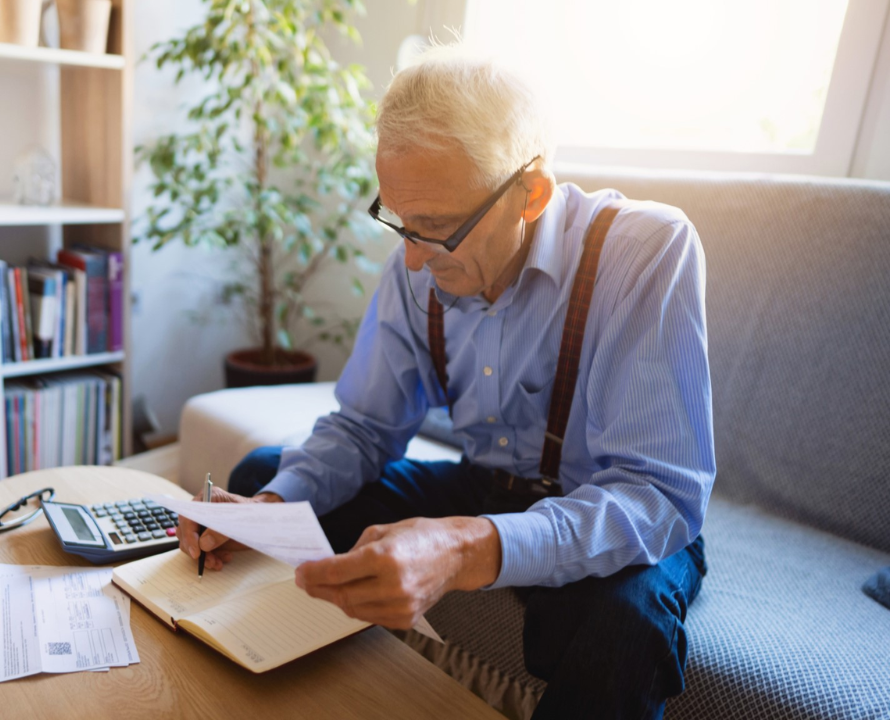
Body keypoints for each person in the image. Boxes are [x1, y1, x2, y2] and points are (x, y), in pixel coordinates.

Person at [177, 43, 713, 720]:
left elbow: (657, 494)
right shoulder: (417, 262)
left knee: (622, 628)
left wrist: (466, 548)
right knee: (264, 479)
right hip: (485, 485)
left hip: (607, 503)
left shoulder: (646, 250)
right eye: (399, 220)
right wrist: (276, 501)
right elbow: (365, 427)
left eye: (435, 229)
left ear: (531, 193)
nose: (410, 256)